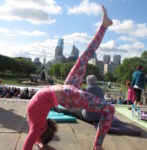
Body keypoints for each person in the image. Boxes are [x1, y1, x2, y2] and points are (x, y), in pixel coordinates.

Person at [22, 5, 114, 150]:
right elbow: (28, 143)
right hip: (69, 96)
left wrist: (40, 143)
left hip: (67, 88)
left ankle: (104, 25)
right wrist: (39, 141)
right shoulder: (37, 125)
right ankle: (97, 146)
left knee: (84, 56)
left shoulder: (36, 123)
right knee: (109, 109)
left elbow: (31, 141)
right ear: (41, 132)